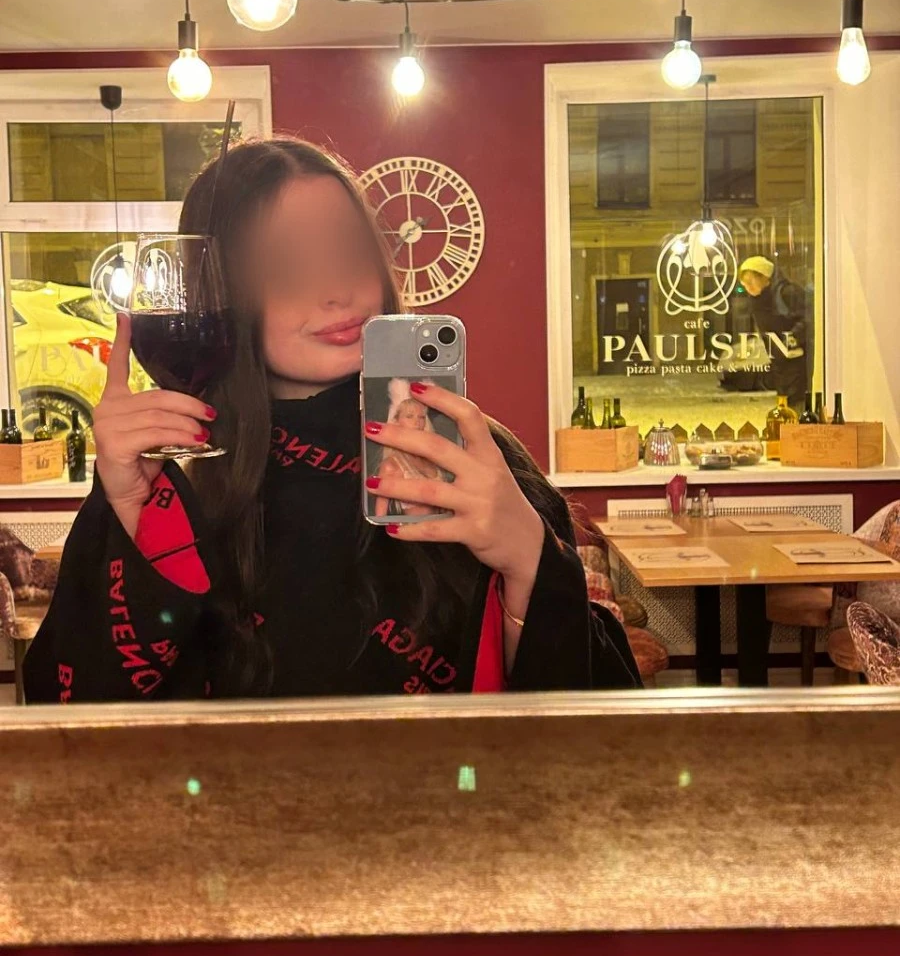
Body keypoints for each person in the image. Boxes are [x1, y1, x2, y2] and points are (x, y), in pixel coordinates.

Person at [23, 138, 639, 703]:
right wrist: (127, 510)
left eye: (349, 252)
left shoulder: (476, 457)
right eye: (287, 268)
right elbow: (71, 720)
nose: (336, 290)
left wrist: (530, 559)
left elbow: (604, 730)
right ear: (218, 291)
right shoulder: (179, 476)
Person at [738, 255, 810, 411]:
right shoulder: (757, 299)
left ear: (765, 278)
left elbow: (807, 318)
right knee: (785, 400)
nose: (747, 287)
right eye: (744, 284)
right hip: (779, 360)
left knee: (797, 401)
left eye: (750, 282)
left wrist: (791, 339)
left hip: (796, 360)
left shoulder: (787, 292)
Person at [373, 381, 446, 519]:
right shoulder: (392, 465)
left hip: (444, 528)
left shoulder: (431, 459)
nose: (417, 422)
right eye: (409, 416)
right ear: (396, 421)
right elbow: (379, 517)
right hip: (413, 530)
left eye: (421, 417)